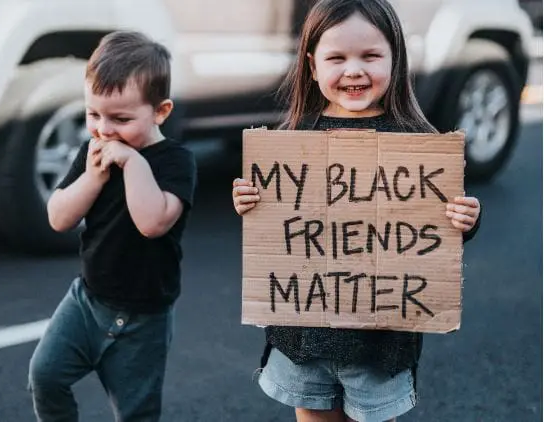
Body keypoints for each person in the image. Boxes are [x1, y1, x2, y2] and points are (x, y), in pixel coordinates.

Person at [232, 1, 481, 421]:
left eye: (369, 56)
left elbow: (439, 226)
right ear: (312, 66)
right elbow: (278, 228)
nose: (353, 70)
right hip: (303, 338)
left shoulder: (418, 142)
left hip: (379, 345)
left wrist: (467, 219)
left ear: (394, 59)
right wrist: (250, 204)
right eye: (337, 58)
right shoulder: (291, 140)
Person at [28, 31, 197, 422]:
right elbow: (59, 217)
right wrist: (93, 178)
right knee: (45, 376)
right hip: (87, 301)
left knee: (135, 412)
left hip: (144, 317)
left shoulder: (175, 162)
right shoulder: (93, 155)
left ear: (161, 111)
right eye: (93, 114)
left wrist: (133, 163)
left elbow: (153, 222)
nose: (104, 129)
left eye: (120, 118)